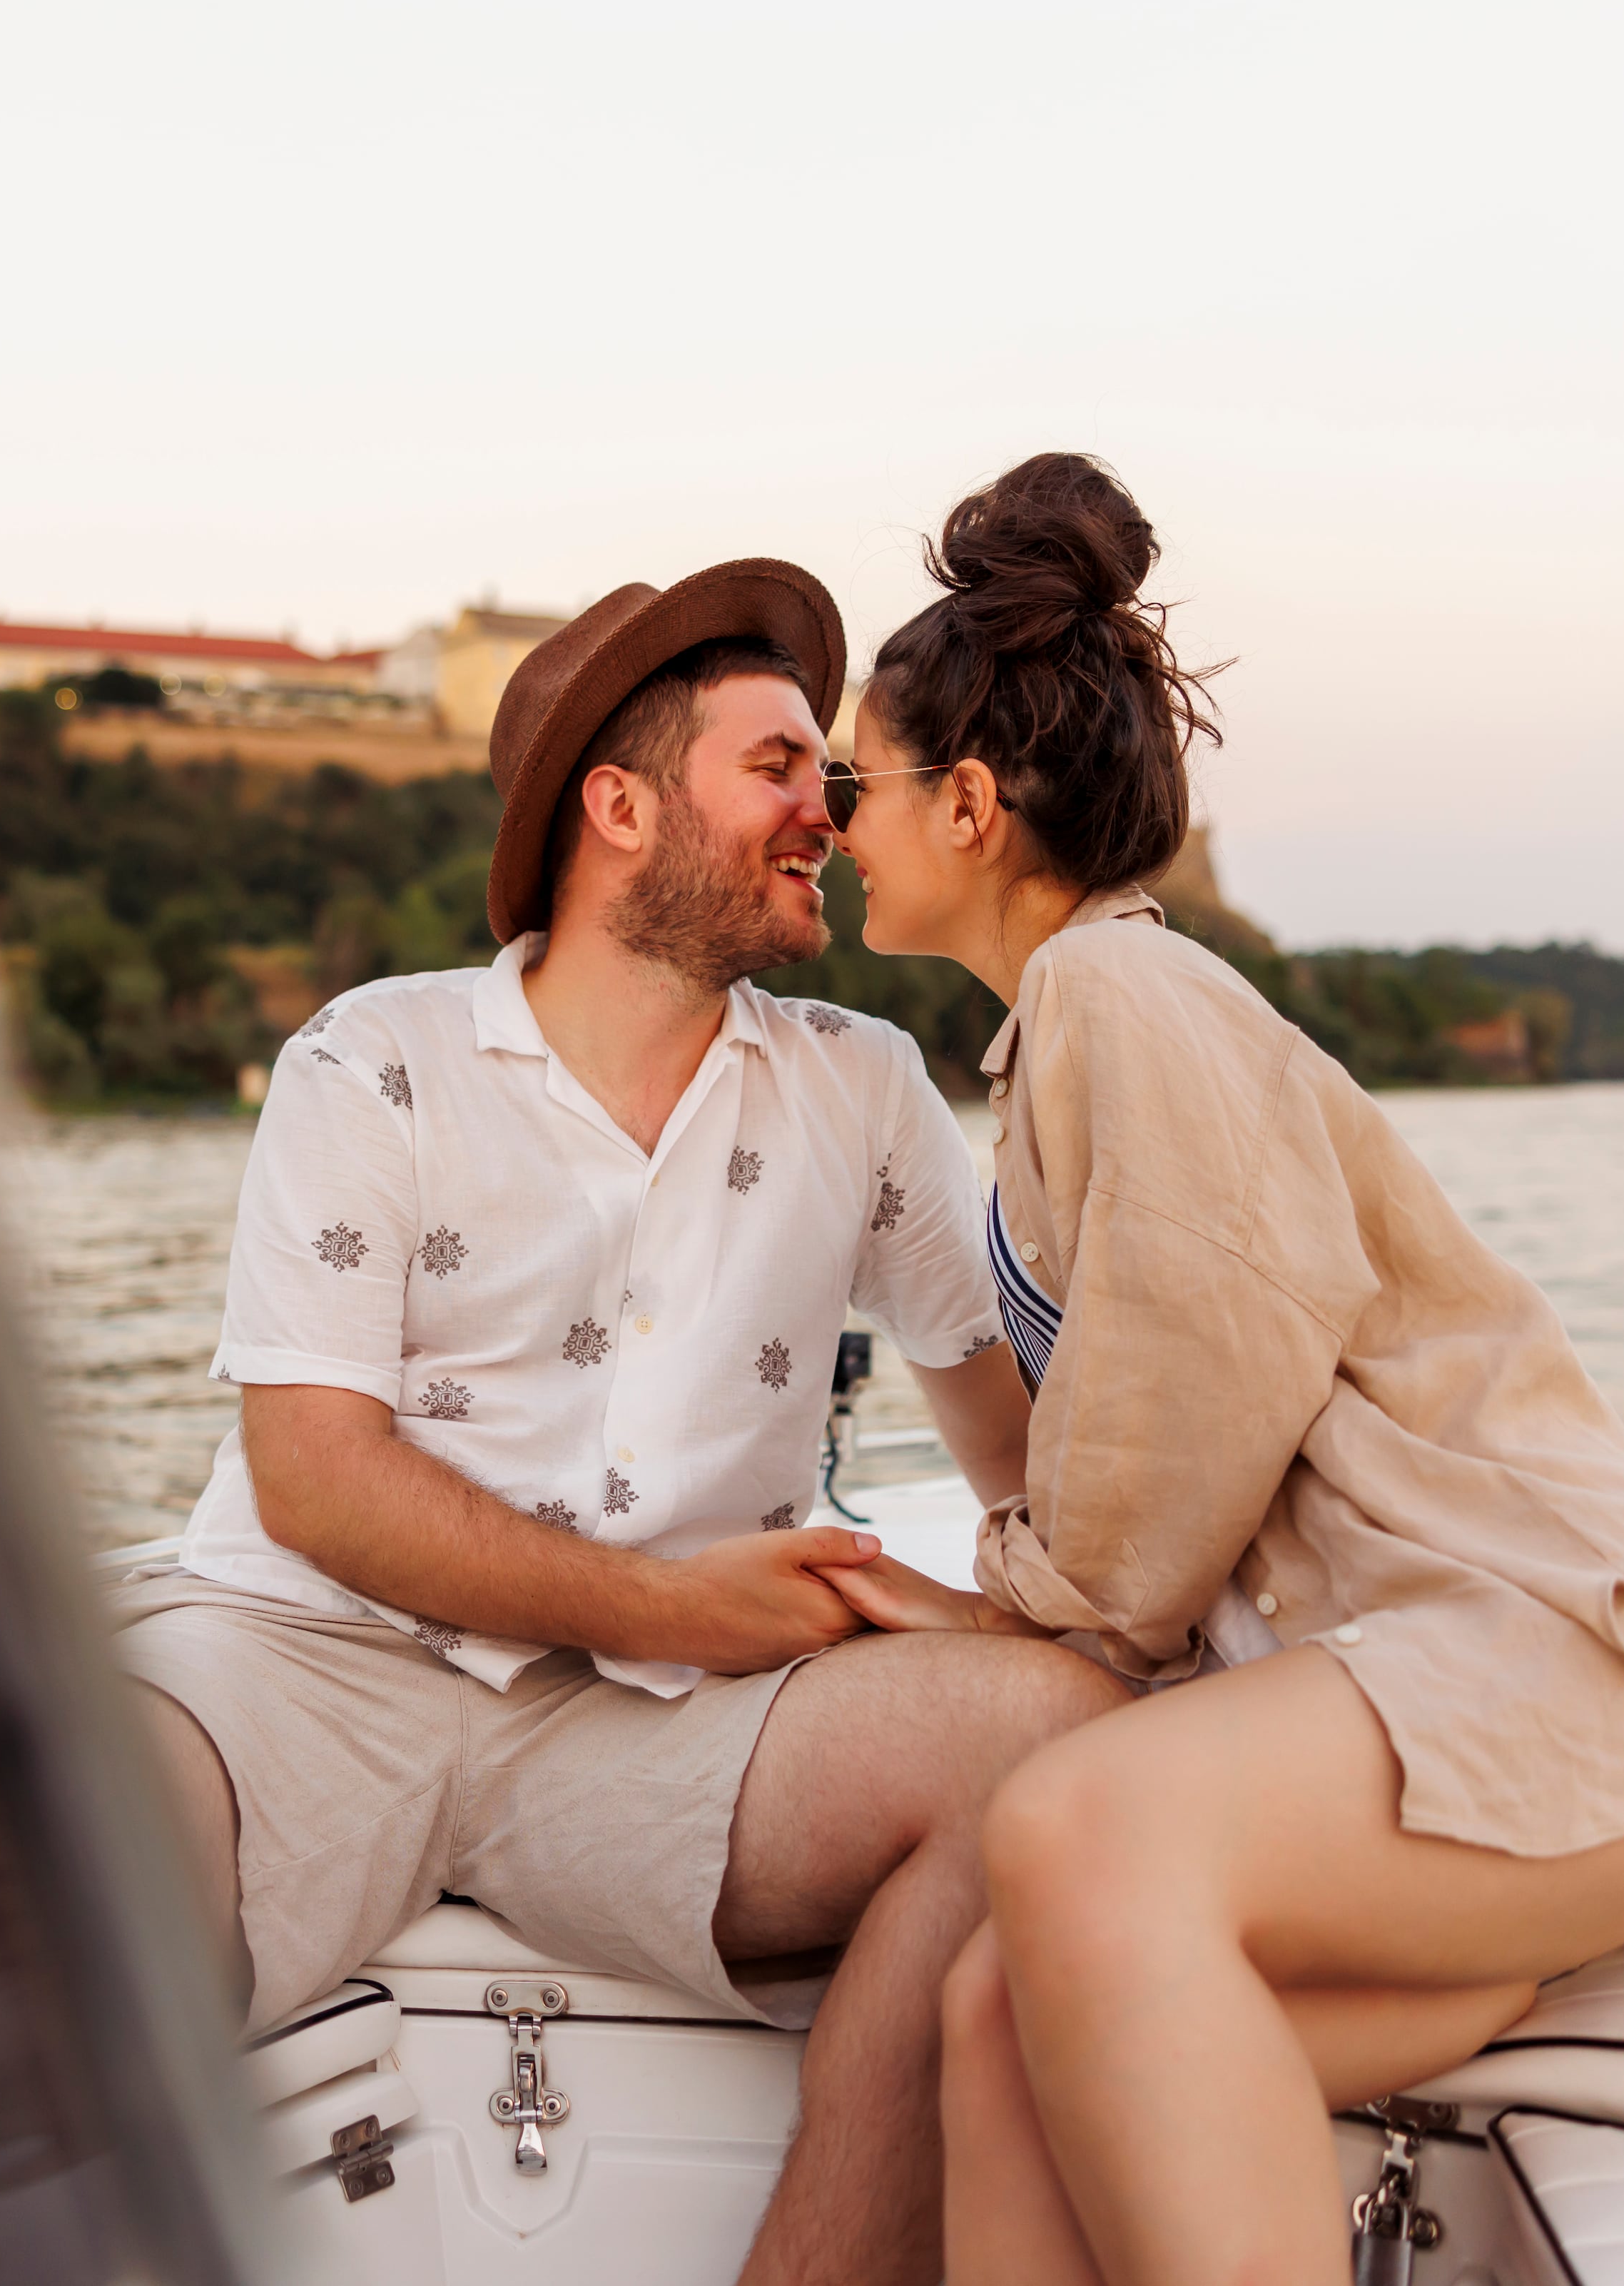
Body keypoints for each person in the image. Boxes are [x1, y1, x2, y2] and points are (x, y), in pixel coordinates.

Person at [808, 454, 1624, 2285]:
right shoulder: (1079, 1024)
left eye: (862, 785)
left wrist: (987, 1606)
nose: (842, 823)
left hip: (1581, 1670)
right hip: (1484, 1713)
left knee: (1071, 1826)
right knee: (999, 2021)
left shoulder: (1120, 999)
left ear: (972, 806)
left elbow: (1187, 1406)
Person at [113, 559, 1128, 2285]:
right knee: (57, 1825)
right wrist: (679, 1603)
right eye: (782, 765)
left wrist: (1008, 1604)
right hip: (312, 1660)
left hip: (652, 1735)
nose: (834, 805)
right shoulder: (373, 1062)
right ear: (620, 808)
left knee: (1045, 1736)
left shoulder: (865, 1092)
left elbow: (1021, 1455)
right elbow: (314, 1481)